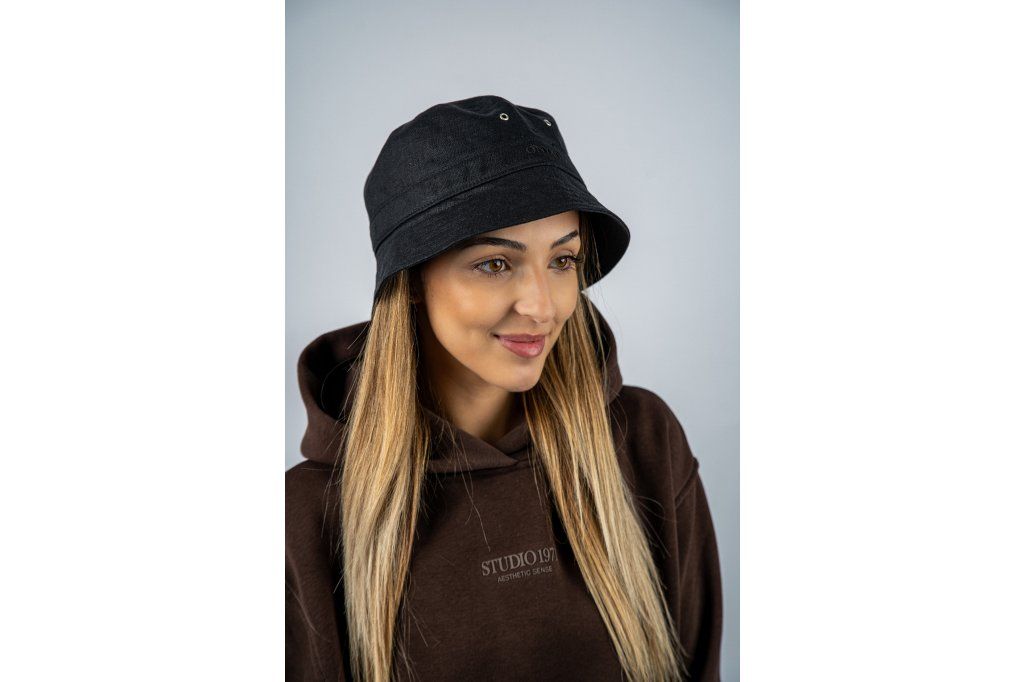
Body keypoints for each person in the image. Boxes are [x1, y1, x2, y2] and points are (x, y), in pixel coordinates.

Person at [286, 95, 723, 682]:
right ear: (410, 283)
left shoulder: (644, 443)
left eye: (563, 260)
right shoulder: (306, 517)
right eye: (495, 263)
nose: (543, 307)